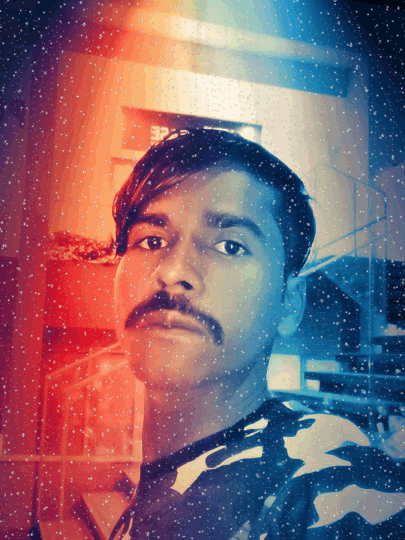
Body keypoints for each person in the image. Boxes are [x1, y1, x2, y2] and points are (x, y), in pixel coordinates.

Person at [109, 128, 405, 540]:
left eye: (230, 246)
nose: (173, 272)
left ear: (289, 304)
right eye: (151, 240)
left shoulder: (319, 481)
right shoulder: (154, 489)